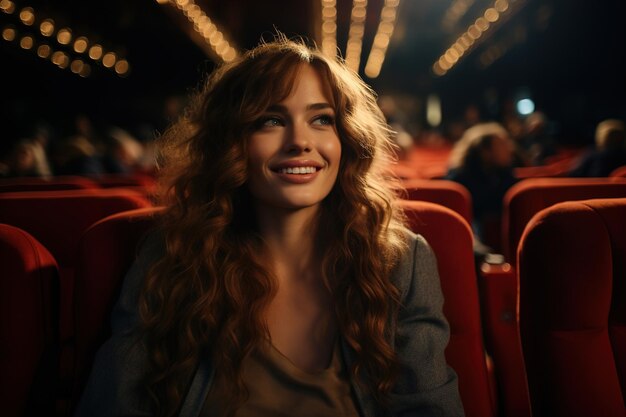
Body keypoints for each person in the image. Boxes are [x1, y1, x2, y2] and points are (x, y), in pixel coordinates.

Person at [76, 37, 463, 417]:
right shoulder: (173, 253)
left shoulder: (401, 261)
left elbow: (429, 407)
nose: (300, 142)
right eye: (271, 121)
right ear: (231, 143)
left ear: (345, 139)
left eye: (321, 120)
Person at [446, 122, 517, 251]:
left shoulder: (506, 175)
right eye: (502, 145)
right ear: (485, 152)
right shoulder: (458, 179)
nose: (510, 149)